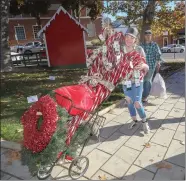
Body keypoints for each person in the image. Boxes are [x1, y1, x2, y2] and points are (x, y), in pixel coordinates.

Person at [122, 27, 150, 134]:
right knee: (129, 101)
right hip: (126, 81)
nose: (128, 39)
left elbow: (146, 65)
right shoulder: (121, 50)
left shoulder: (139, 50)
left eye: (131, 37)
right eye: (127, 37)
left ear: (135, 39)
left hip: (138, 80)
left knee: (137, 103)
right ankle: (134, 120)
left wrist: (143, 65)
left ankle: (144, 121)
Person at [141, 30, 163, 103]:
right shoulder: (141, 45)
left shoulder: (154, 45)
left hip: (151, 66)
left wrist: (158, 62)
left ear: (151, 36)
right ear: (144, 36)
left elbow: (158, 54)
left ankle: (145, 96)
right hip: (142, 67)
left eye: (149, 35)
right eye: (146, 35)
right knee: (143, 80)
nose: (147, 36)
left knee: (147, 80)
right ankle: (143, 94)